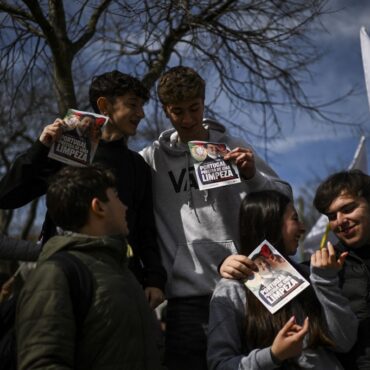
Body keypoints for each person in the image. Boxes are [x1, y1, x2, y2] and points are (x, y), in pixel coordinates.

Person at [140, 66, 292, 370]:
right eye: (177, 111)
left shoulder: (234, 146)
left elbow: (283, 199)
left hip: (250, 285)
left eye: (194, 108)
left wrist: (251, 175)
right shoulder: (151, 160)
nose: (187, 119)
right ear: (165, 111)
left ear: (204, 101)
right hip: (188, 298)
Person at [0, 70, 166, 310]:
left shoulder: (137, 165)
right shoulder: (65, 152)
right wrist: (40, 148)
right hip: (64, 278)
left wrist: (154, 279)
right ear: (104, 105)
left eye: (142, 106)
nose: (141, 114)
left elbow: (145, 229)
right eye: (133, 105)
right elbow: (7, 196)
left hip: (120, 283)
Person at [16, 165, 162, 370]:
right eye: (117, 197)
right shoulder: (56, 274)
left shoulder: (122, 272)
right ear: (98, 207)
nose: (125, 206)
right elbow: (41, 362)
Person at [208, 190, 358, 370]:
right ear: (271, 224)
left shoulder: (312, 275)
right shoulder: (231, 289)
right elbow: (220, 365)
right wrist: (273, 355)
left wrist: (326, 281)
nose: (303, 227)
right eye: (295, 219)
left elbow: (345, 341)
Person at [313, 169, 370, 369]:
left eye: (348, 209)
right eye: (331, 216)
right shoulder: (321, 268)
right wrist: (226, 264)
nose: (340, 221)